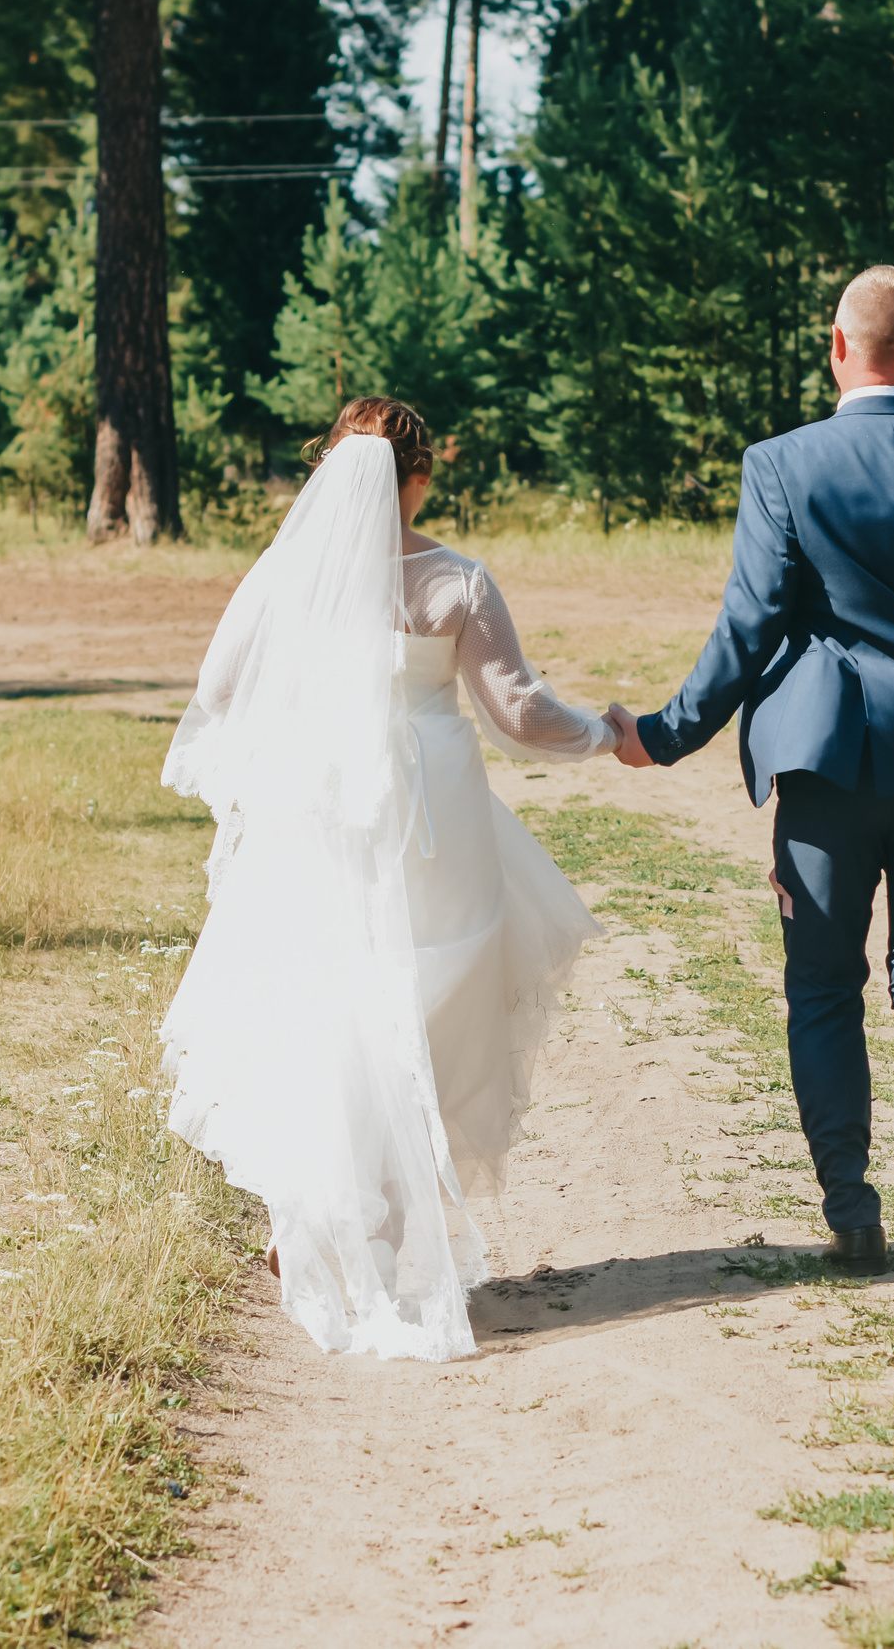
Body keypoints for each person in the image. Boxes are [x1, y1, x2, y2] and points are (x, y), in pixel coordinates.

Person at [605, 266, 894, 1276]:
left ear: (836, 345)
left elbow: (749, 623)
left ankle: (852, 1211)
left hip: (830, 769)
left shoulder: (783, 463)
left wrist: (663, 732)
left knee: (821, 982)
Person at [159, 398, 614, 1362]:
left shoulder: (290, 577)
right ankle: (390, 1223)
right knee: (432, 1001)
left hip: (326, 815)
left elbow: (220, 689)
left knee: (327, 998)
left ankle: (314, 1213)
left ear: (330, 474)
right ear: (422, 476)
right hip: (432, 825)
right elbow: (519, 712)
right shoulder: (455, 583)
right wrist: (607, 732)